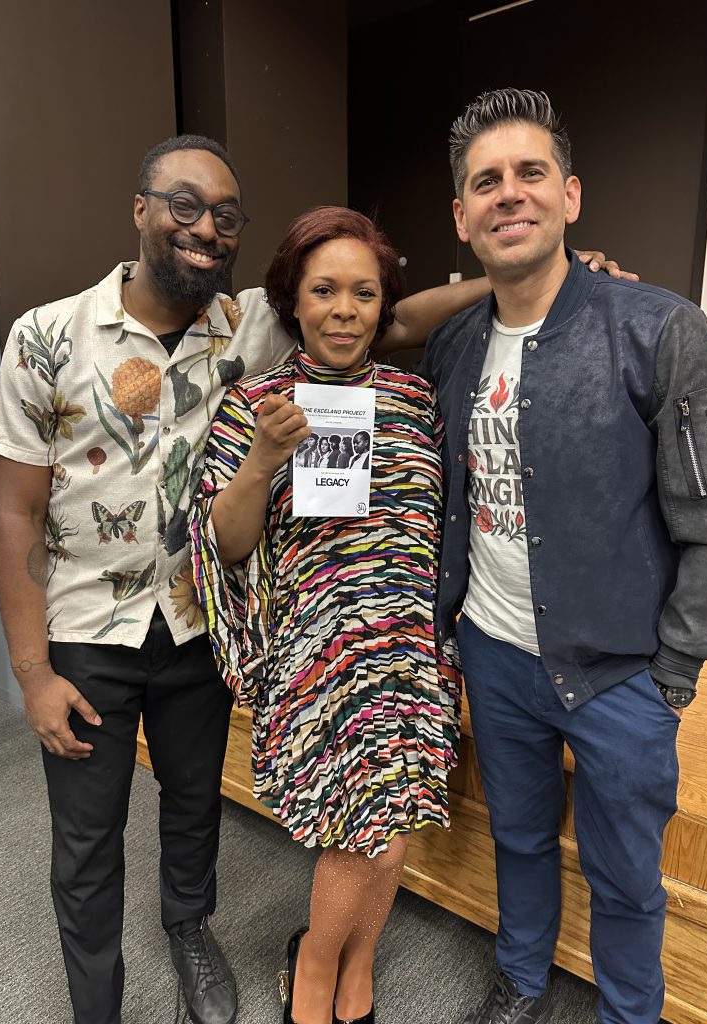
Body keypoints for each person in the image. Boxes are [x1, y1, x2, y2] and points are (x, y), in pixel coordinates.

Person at [0, 134, 511, 1024]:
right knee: (87, 836)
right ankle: (95, 1006)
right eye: (184, 205)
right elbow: (16, 517)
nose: (205, 229)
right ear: (140, 208)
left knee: (194, 806)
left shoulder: (248, 324)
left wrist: (525, 276)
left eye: (226, 216)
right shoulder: (45, 336)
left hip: (197, 625)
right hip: (87, 629)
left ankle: (190, 933)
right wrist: (31, 672)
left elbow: (391, 316)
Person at [421, 89, 707, 1024]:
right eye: (486, 182)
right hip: (494, 653)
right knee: (518, 839)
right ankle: (522, 981)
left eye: (531, 173)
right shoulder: (454, 345)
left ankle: (629, 1014)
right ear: (461, 216)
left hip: (622, 672)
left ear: (570, 196)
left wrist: (675, 671)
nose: (509, 193)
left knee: (626, 876)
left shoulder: (659, 329)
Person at [188, 207, 464, 1024]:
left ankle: (354, 964)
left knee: (393, 820)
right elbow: (226, 544)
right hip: (318, 651)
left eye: (364, 293)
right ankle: (314, 964)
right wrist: (264, 459)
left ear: (383, 306)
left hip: (409, 648)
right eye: (324, 291)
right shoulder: (256, 405)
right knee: (361, 831)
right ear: (293, 301)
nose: (345, 310)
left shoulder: (415, 400)